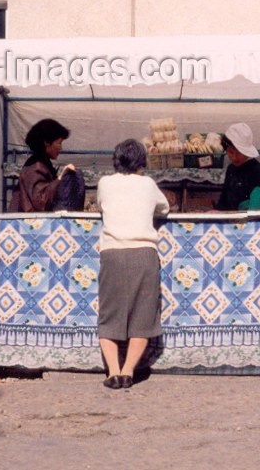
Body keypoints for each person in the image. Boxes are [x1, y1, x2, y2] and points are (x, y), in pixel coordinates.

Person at [96, 139, 170, 389]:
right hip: (143, 253)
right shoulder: (148, 184)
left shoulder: (105, 183)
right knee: (143, 314)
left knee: (109, 315)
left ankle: (112, 372)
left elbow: (100, 206)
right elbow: (165, 207)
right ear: (142, 162)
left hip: (112, 253)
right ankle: (128, 371)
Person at [9, 119, 85, 212]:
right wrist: (61, 177)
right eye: (59, 143)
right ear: (46, 143)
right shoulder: (35, 167)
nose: (61, 148)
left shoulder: (43, 163)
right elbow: (41, 202)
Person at [215, 122, 260, 211]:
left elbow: (256, 211)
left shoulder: (257, 172)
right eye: (230, 152)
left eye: (238, 152)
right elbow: (224, 200)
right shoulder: (231, 169)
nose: (234, 157)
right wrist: (217, 212)